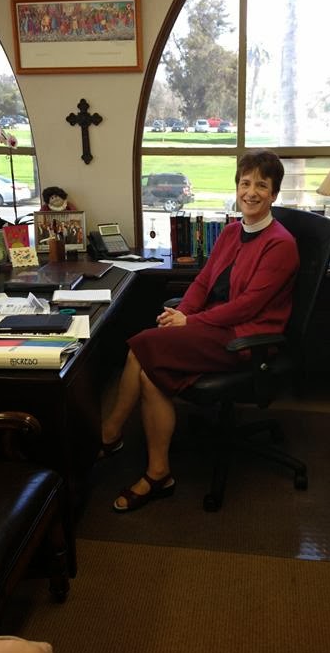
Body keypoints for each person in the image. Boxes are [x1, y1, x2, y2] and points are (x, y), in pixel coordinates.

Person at [100, 149, 299, 513]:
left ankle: (110, 433)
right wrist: (183, 311)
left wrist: (189, 322)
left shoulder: (280, 244)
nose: (251, 192)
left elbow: (248, 306)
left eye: (261, 185)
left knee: (140, 347)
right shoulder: (231, 232)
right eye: (245, 183)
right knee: (148, 372)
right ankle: (158, 473)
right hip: (213, 324)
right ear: (237, 188)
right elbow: (204, 281)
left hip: (245, 336)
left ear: (274, 194)